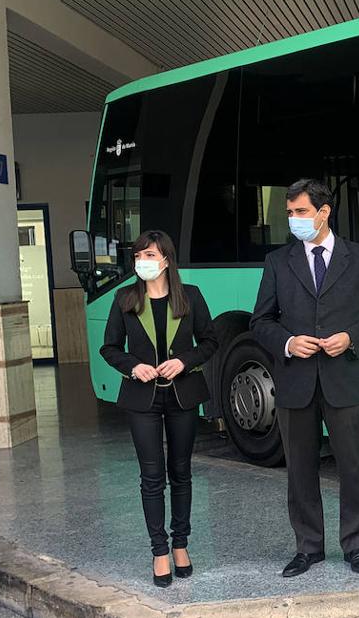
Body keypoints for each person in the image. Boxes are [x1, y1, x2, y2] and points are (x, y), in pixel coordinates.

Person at [250, 179, 359, 577]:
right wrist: (288, 342)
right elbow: (260, 320)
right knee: (299, 469)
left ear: (324, 211)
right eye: (290, 213)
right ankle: (308, 547)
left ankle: (356, 544)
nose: (294, 220)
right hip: (296, 380)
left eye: (301, 212)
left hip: (345, 379)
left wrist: (351, 338)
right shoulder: (278, 262)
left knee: (353, 466)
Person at [100, 231, 217, 588]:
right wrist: (133, 366)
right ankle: (159, 551)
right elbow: (109, 347)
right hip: (142, 399)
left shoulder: (191, 297)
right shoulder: (124, 299)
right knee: (151, 476)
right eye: (138, 255)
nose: (143, 261)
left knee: (181, 472)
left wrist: (184, 361)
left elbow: (210, 341)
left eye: (149, 254)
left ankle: (181, 544)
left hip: (182, 395)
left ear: (166, 259)